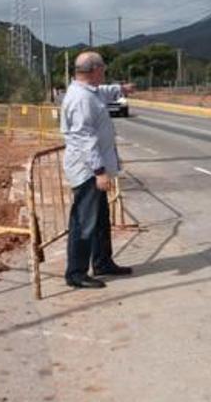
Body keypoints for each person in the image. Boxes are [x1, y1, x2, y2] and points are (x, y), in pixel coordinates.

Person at [60, 51, 134, 288]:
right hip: (87, 171)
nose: (105, 71)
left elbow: (103, 92)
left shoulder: (88, 92)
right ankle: (76, 273)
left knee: (100, 219)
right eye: (103, 68)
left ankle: (102, 261)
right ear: (93, 70)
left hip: (92, 168)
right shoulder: (81, 99)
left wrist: (121, 88)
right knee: (84, 221)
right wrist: (99, 171)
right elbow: (85, 138)